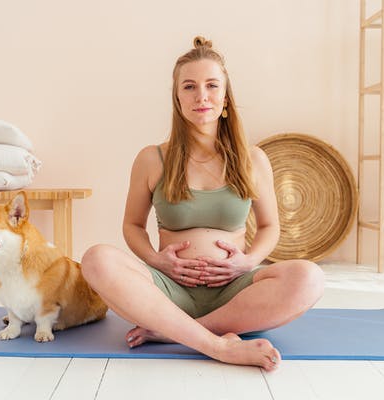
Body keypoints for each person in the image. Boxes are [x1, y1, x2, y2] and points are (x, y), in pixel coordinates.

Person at [81, 36, 324, 371]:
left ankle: (174, 332)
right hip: (167, 290)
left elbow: (270, 227)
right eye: (189, 87)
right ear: (177, 98)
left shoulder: (253, 159)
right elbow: (132, 225)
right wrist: (156, 260)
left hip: (235, 293)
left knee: (309, 277)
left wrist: (248, 261)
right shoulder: (151, 159)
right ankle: (217, 346)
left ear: (225, 96)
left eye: (211, 85)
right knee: (96, 259)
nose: (201, 96)